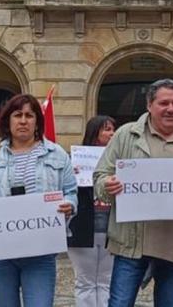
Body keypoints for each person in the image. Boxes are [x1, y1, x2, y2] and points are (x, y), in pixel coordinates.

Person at [93, 79, 173, 307]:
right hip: (130, 243)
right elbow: (100, 178)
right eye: (164, 103)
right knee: (119, 303)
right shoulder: (125, 136)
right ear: (149, 105)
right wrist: (107, 185)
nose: (171, 109)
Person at [0, 94, 78, 307]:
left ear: (37, 121)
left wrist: (69, 205)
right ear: (8, 120)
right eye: (18, 115)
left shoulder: (57, 155)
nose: (23, 120)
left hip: (40, 252)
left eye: (30, 115)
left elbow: (71, 193)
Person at [68, 115, 116, 307]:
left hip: (111, 229)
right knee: (85, 282)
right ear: (94, 132)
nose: (112, 133)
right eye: (107, 129)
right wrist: (74, 175)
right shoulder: (74, 160)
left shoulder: (119, 159)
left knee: (106, 281)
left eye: (113, 129)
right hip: (83, 228)